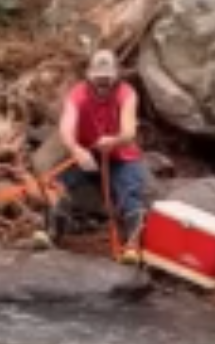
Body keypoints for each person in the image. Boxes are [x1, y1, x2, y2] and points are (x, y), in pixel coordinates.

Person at [49, 49, 149, 249]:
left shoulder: (126, 93)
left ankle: (133, 241)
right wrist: (76, 149)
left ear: (116, 76)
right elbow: (66, 127)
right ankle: (52, 231)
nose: (103, 83)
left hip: (122, 155)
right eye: (98, 78)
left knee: (130, 193)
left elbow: (129, 131)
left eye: (107, 78)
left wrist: (114, 140)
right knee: (57, 186)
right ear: (89, 75)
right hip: (89, 154)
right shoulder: (77, 94)